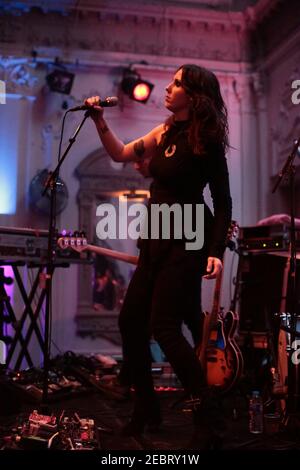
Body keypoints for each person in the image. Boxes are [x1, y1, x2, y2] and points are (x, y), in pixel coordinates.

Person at [84, 64, 232, 448]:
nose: (168, 87)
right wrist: (100, 120)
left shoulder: (208, 140)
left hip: (188, 237)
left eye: (178, 83)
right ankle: (146, 407)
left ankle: (207, 412)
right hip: (157, 236)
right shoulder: (162, 132)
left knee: (164, 327)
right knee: (131, 320)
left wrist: (216, 251)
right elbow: (118, 153)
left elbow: (223, 200)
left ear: (194, 94)